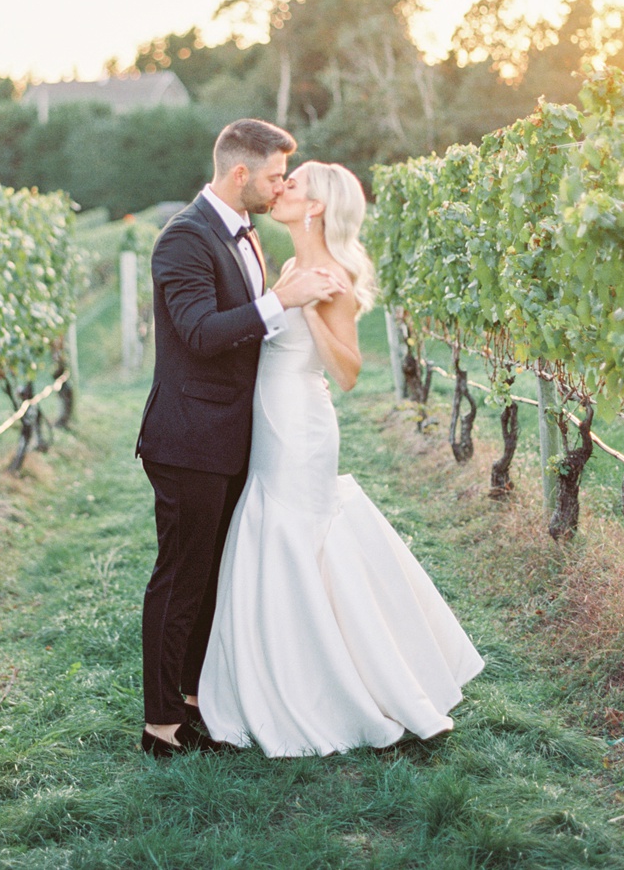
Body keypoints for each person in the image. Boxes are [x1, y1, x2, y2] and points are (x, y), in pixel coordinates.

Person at [198, 161, 485, 757]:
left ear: (317, 206)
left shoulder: (331, 275)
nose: (281, 189)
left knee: (297, 540)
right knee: (276, 537)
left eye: (293, 183)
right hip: (271, 421)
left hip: (301, 425)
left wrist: (304, 308)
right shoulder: (293, 266)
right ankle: (288, 672)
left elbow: (349, 372)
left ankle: (330, 688)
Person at [137, 121, 346, 757]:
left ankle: (196, 700)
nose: (281, 185)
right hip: (188, 438)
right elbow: (200, 333)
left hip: (233, 435)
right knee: (178, 578)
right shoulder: (183, 239)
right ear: (240, 175)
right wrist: (281, 300)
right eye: (275, 176)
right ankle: (160, 724)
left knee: (210, 576)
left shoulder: (246, 234)